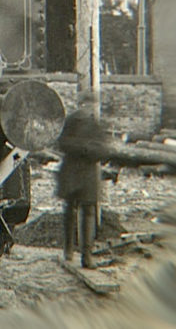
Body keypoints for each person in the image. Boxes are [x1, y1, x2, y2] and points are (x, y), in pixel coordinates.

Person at [56, 94, 107, 269]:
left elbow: (104, 149)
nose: (89, 108)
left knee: (89, 212)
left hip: (89, 175)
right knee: (69, 211)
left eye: (93, 104)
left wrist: (92, 150)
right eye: (87, 104)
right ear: (80, 104)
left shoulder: (95, 125)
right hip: (71, 172)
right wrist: (84, 148)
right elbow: (62, 143)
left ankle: (87, 256)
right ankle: (68, 249)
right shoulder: (70, 121)